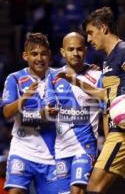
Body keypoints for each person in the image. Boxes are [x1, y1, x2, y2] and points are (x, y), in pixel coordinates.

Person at [62, 7, 125, 194]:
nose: (88, 39)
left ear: (104, 28)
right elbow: (106, 95)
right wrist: (76, 82)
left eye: (90, 33)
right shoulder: (109, 59)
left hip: (124, 131)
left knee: (94, 187)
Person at [43, 32, 103, 194]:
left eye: (79, 49)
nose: (75, 53)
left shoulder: (98, 76)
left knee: (77, 190)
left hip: (85, 146)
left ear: (85, 50)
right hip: (61, 148)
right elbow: (48, 106)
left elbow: (106, 110)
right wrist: (48, 110)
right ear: (63, 52)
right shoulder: (53, 77)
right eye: (70, 49)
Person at [1, 32, 59, 194]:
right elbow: (6, 112)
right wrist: (24, 98)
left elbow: (80, 72)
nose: (39, 58)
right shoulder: (14, 78)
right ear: (25, 56)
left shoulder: (59, 77)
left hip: (51, 154)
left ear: (49, 56)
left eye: (43, 54)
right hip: (23, 150)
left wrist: (91, 69)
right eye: (34, 54)